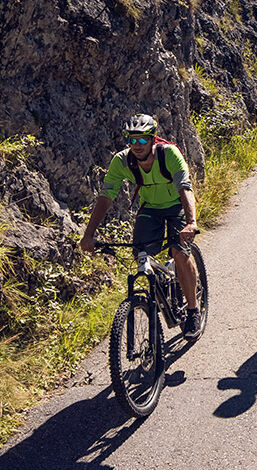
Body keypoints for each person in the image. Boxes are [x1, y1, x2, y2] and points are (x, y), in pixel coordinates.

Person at [81, 113, 202, 336]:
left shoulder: (169, 154)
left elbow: (185, 187)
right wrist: (88, 234)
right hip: (150, 208)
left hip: (176, 205)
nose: (136, 145)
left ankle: (193, 311)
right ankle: (160, 294)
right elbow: (106, 197)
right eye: (132, 139)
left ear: (152, 139)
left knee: (180, 253)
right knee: (141, 255)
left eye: (142, 139)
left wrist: (191, 223)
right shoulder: (121, 161)